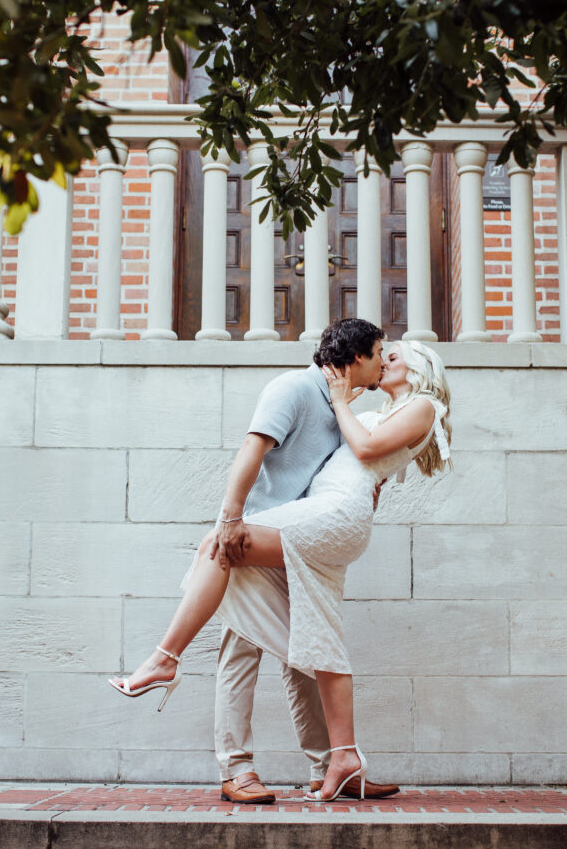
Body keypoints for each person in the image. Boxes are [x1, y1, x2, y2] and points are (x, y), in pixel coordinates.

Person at [110, 331, 451, 800]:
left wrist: (366, 467)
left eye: (392, 357)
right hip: (262, 527)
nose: (384, 362)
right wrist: (230, 518)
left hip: (305, 532)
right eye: (380, 355)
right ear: (358, 357)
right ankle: (244, 769)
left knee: (306, 650)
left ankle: (328, 763)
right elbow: (255, 451)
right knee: (263, 639)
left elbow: (367, 456)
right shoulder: (294, 389)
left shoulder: (358, 407)